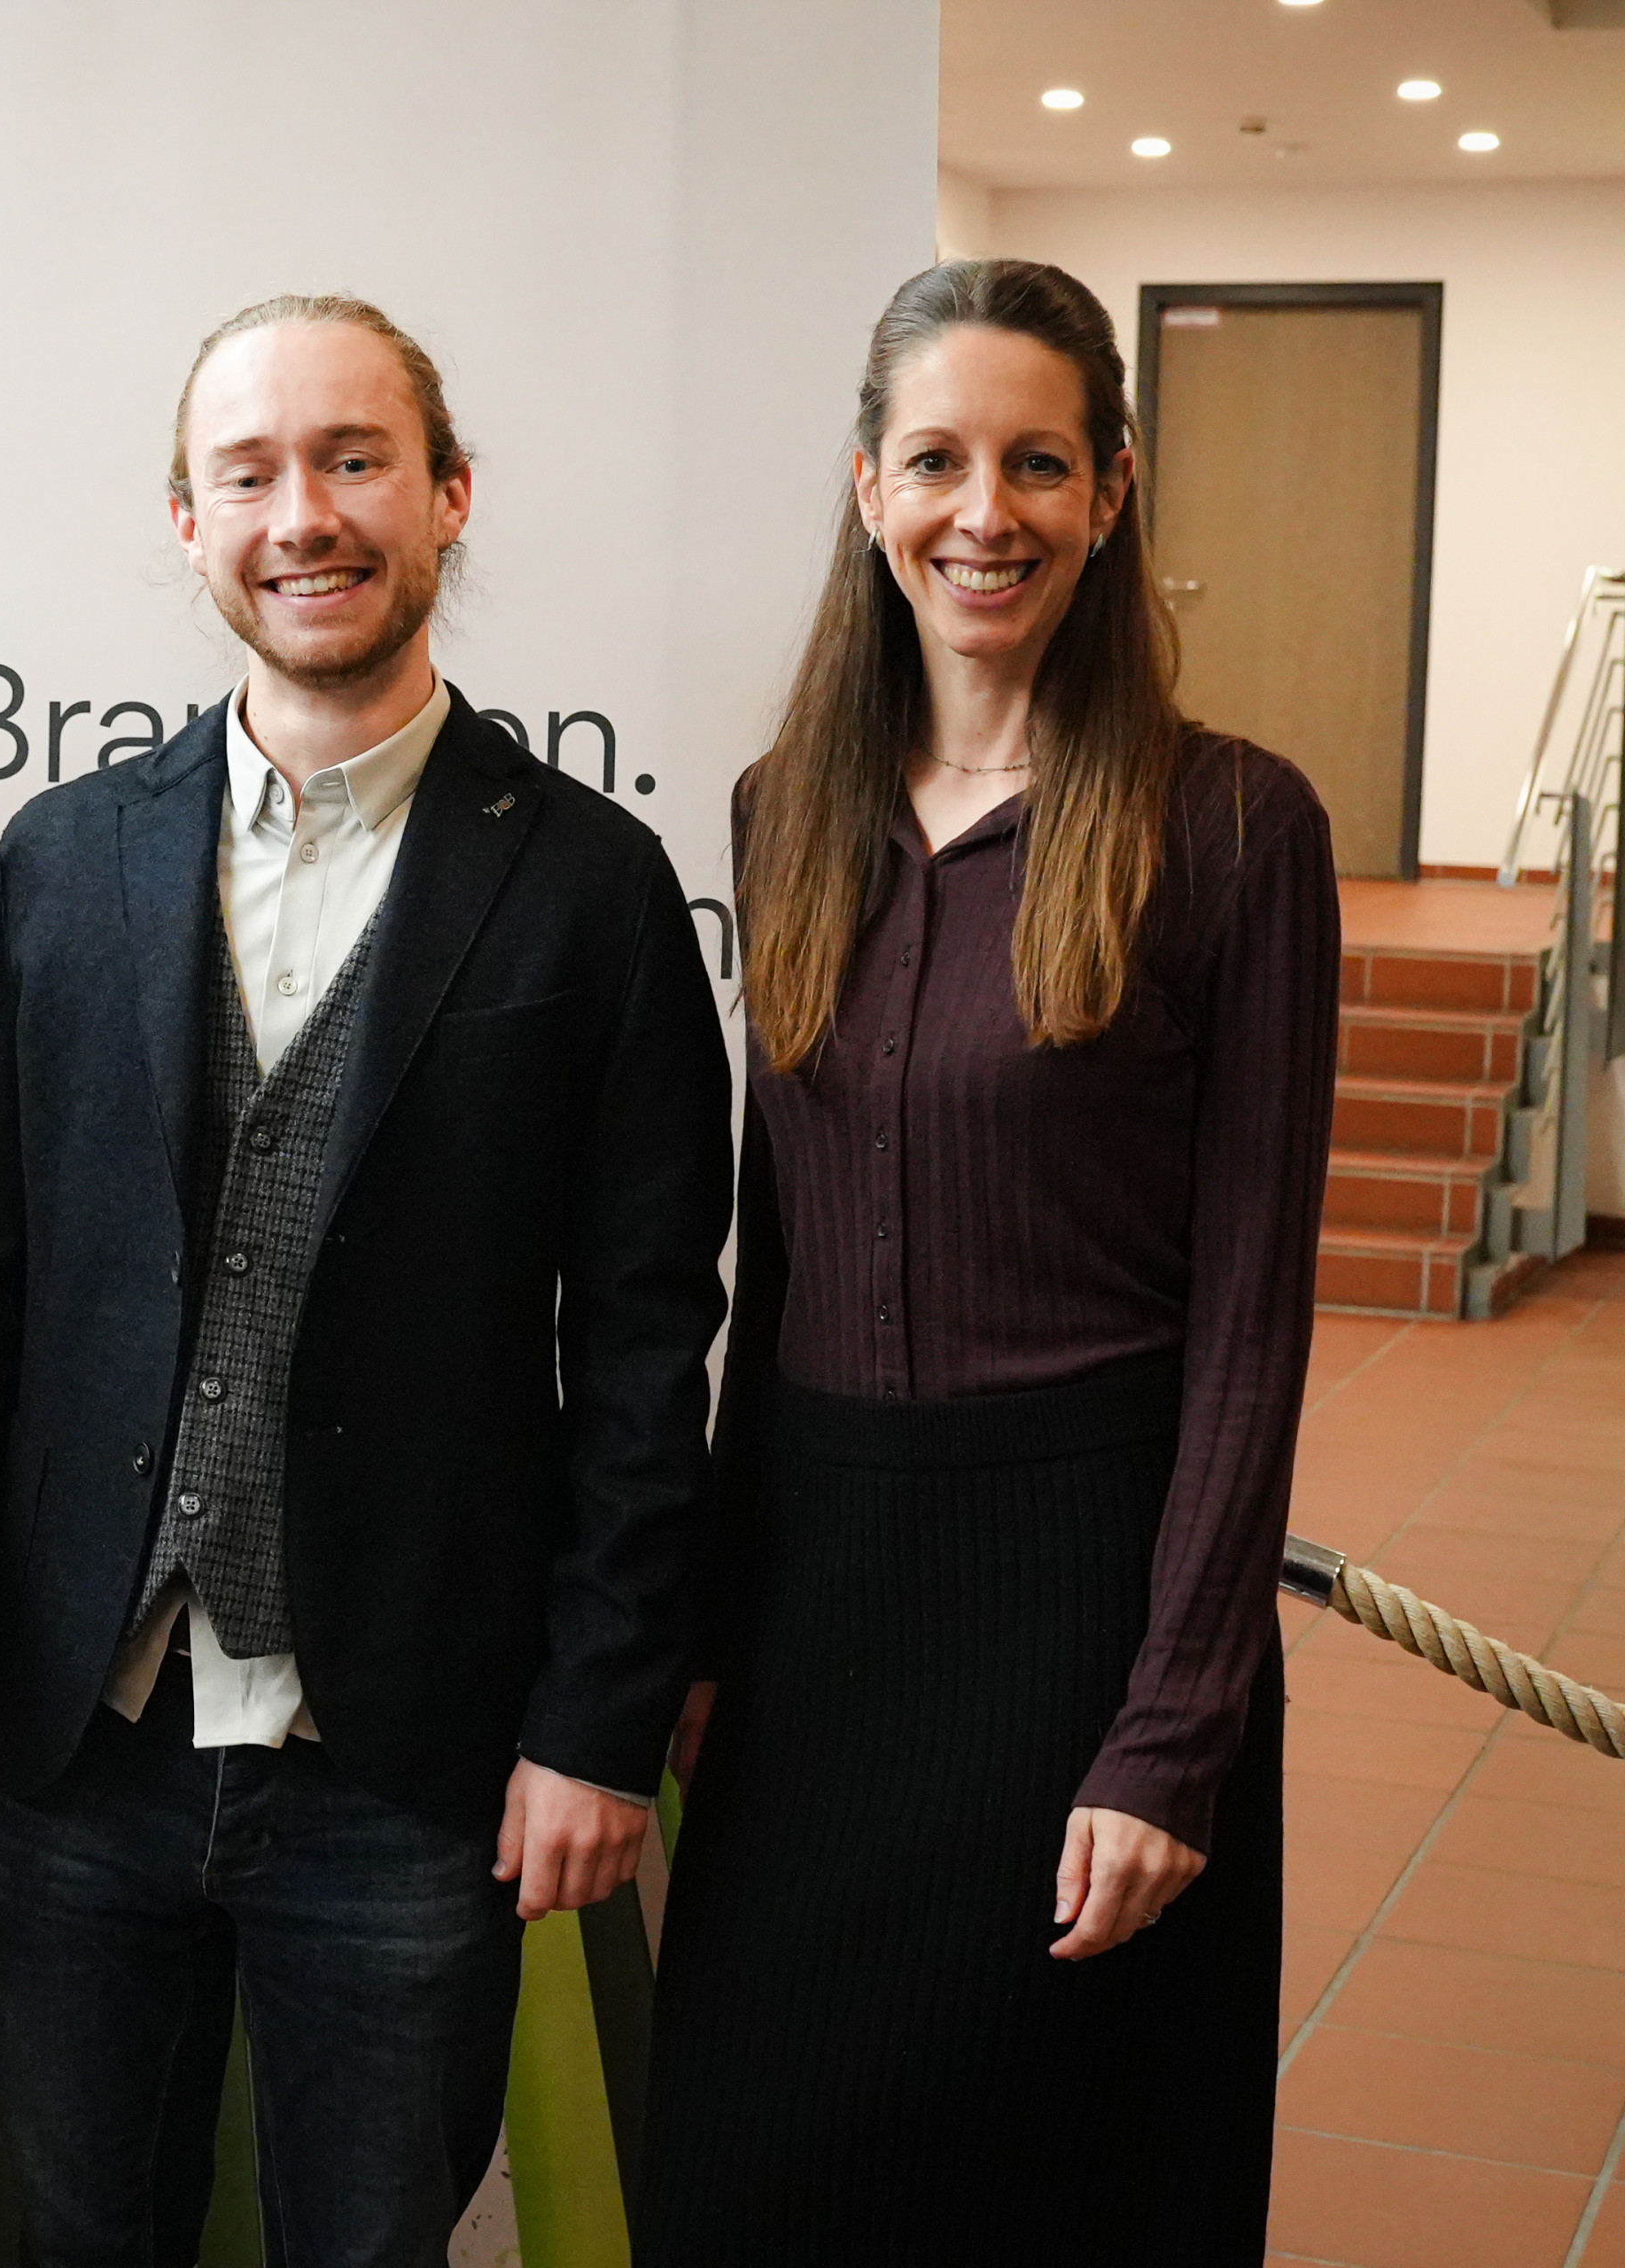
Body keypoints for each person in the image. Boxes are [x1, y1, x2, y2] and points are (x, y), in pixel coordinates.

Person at [0, 294, 735, 2261]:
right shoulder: (67, 860)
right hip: (91, 1739)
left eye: (353, 460)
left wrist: (596, 1716)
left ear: (446, 497)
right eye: (248, 471)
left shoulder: (591, 891)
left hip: (411, 1762)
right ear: (186, 519)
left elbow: (647, 1352)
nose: (303, 513)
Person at [638, 260, 1336, 2263]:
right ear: (868, 487)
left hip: (1088, 1596)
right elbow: (775, 1271)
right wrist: (704, 1618)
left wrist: (1175, 1721)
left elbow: (1248, 1325)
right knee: (758, 2175)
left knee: (1060, 2185)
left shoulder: (1228, 831)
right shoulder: (791, 815)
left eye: (1039, 463)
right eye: (938, 459)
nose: (985, 510)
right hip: (821, 1617)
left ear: (1111, 491)